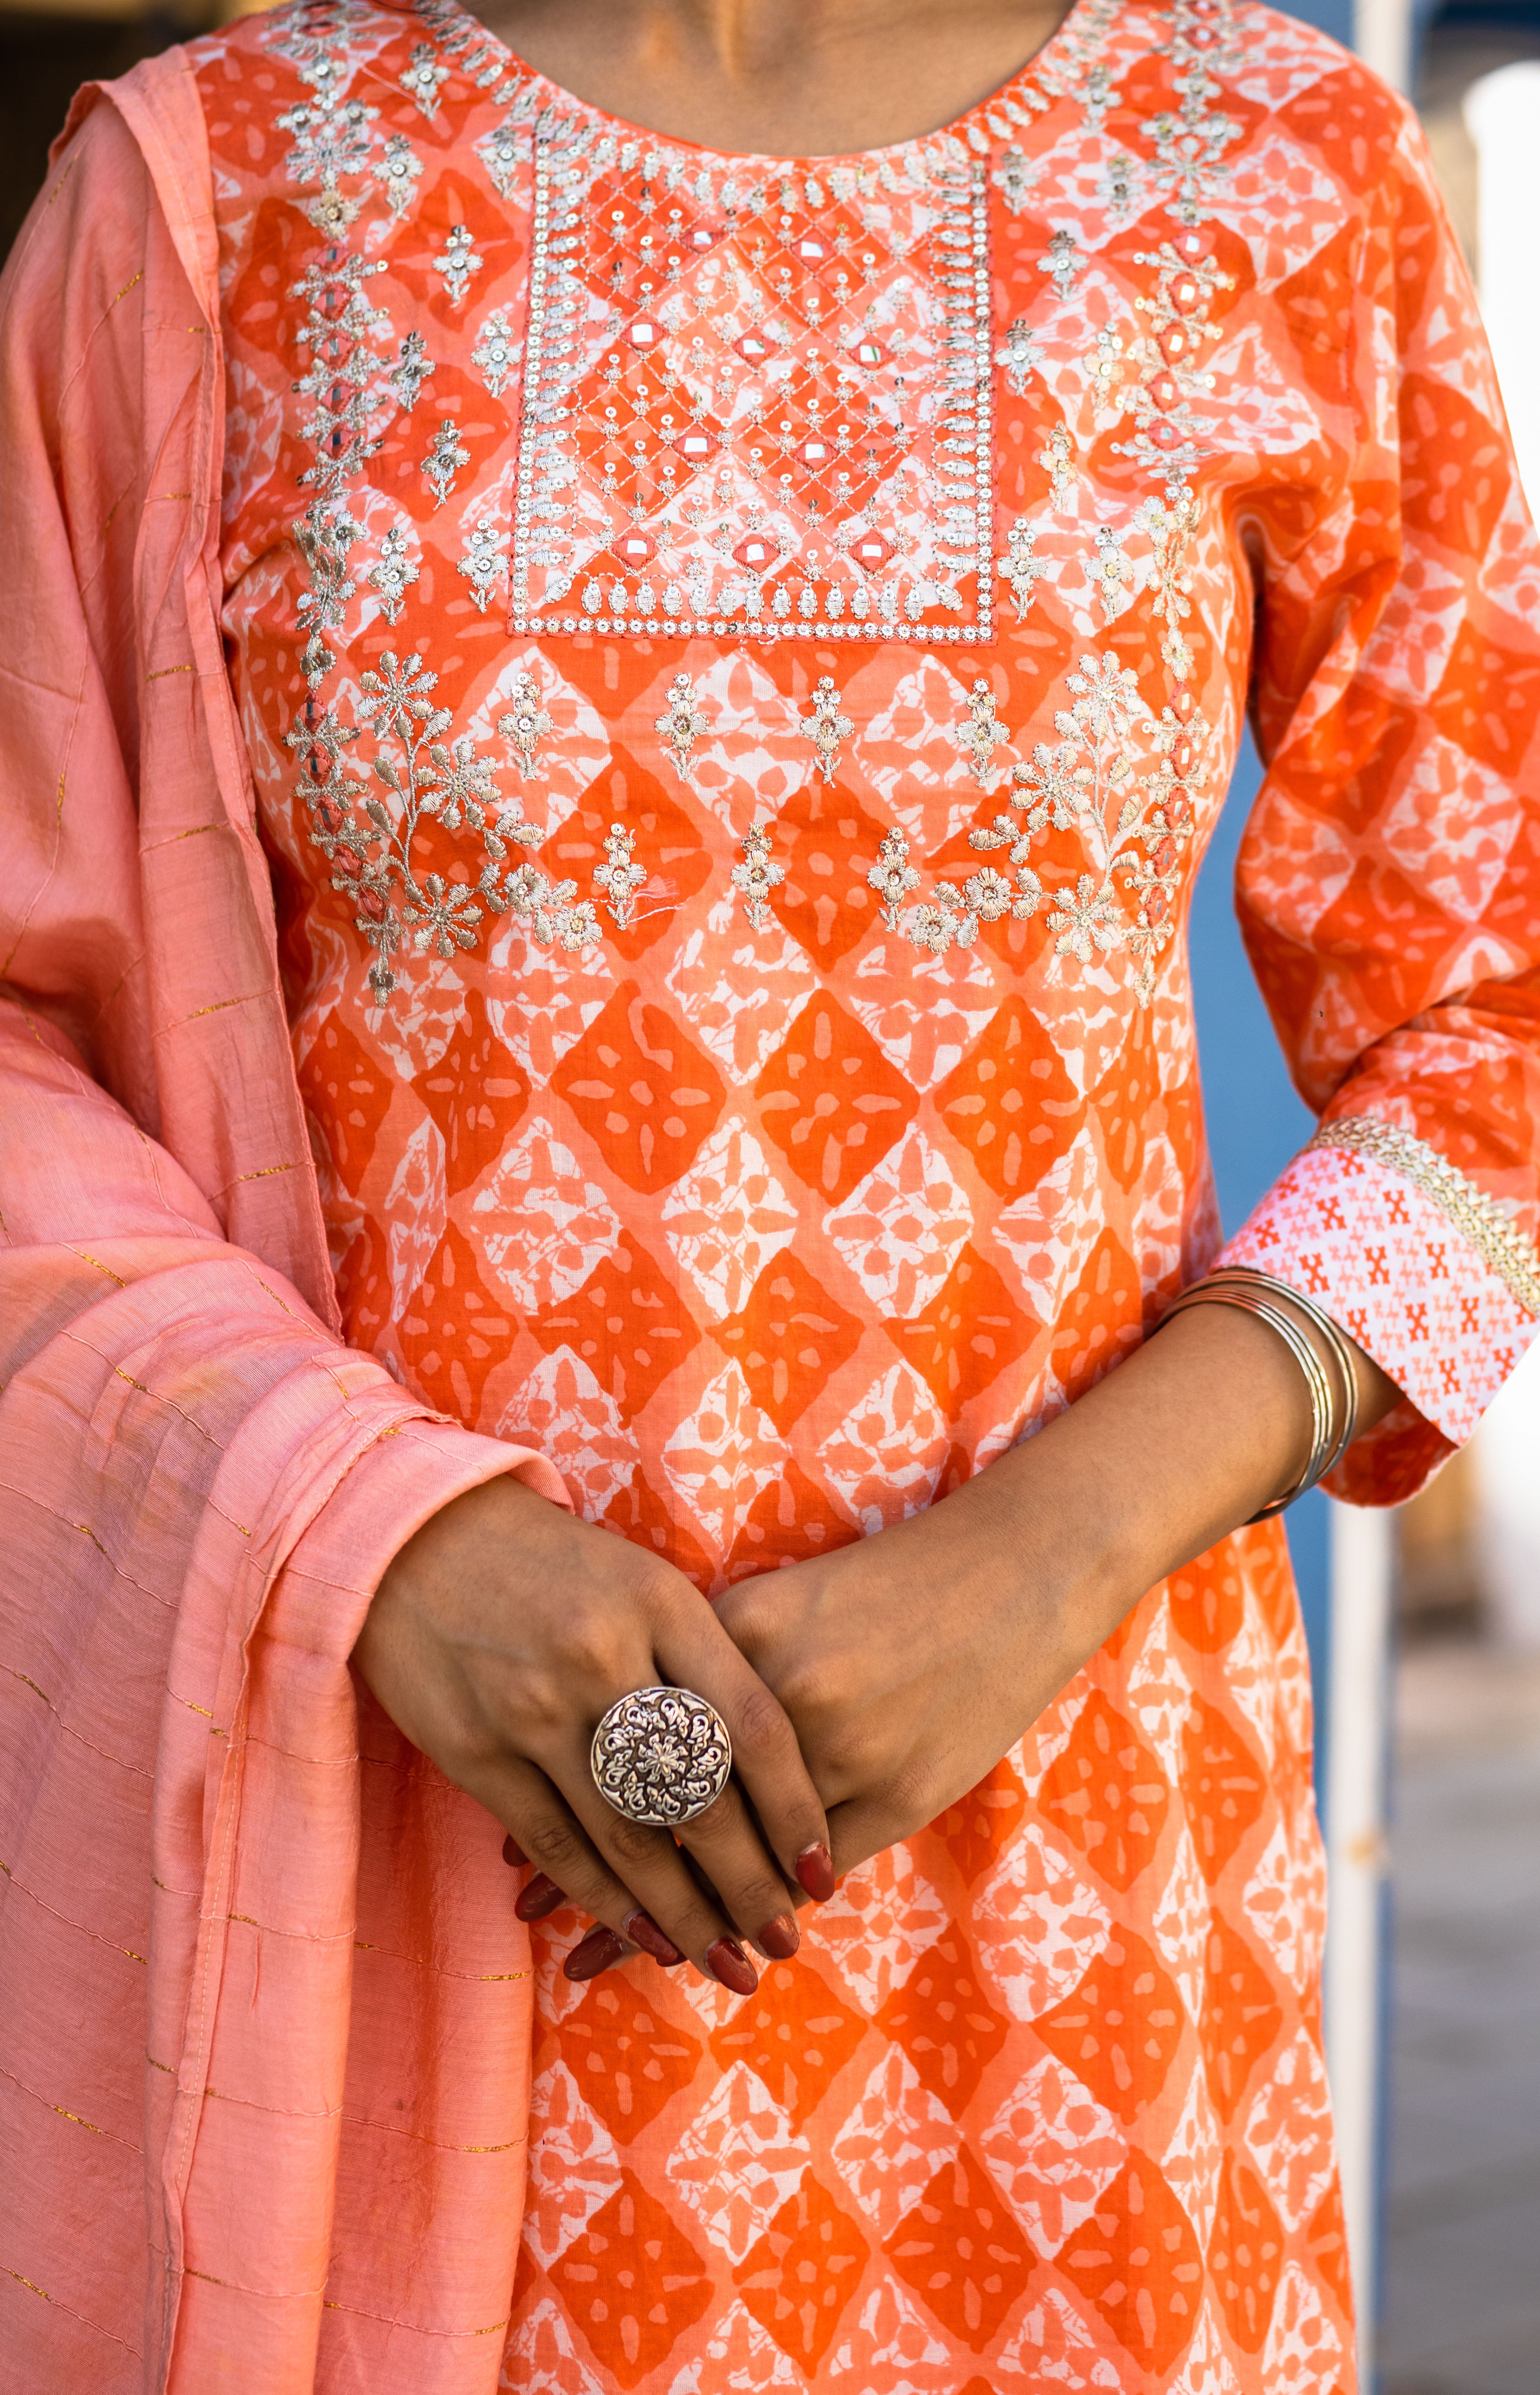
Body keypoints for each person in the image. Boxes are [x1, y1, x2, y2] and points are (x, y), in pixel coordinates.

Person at [2, 0, 1536, 2386]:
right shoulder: (222, 189)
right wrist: (381, 1534)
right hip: (399, 1864)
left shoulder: (1273, 159)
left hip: (1072, 1917)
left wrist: (1056, 1548)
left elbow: (1503, 1016)